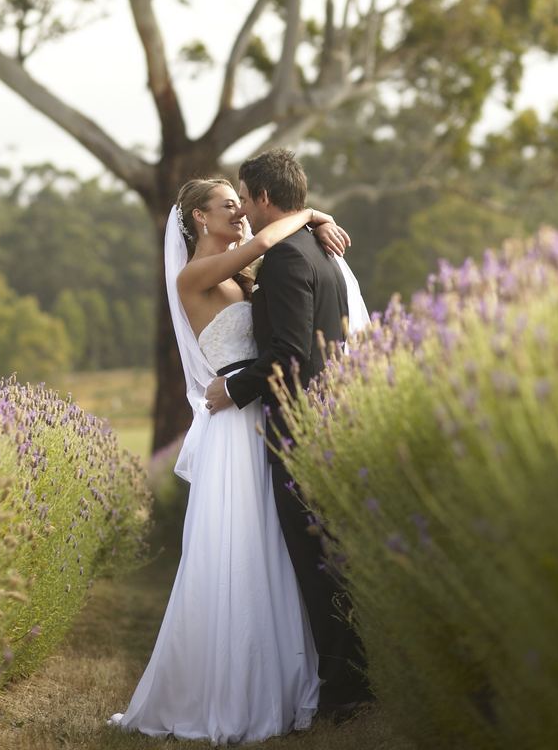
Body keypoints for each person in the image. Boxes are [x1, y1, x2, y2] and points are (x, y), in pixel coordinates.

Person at [110, 176, 350, 743]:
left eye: (241, 202)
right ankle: (229, 688)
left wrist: (313, 224)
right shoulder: (194, 275)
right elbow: (267, 242)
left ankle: (285, 675)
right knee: (236, 547)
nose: (240, 212)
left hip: (257, 415)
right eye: (228, 205)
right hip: (231, 428)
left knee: (273, 546)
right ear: (198, 218)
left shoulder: (243, 277)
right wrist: (312, 212)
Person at [205, 149, 372, 724]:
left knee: (315, 561)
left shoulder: (282, 261)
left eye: (247, 198)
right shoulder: (323, 254)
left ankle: (344, 688)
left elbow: (290, 355)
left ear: (266, 199)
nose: (246, 209)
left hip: (297, 426)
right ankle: (353, 678)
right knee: (330, 555)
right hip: (328, 417)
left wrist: (234, 391)